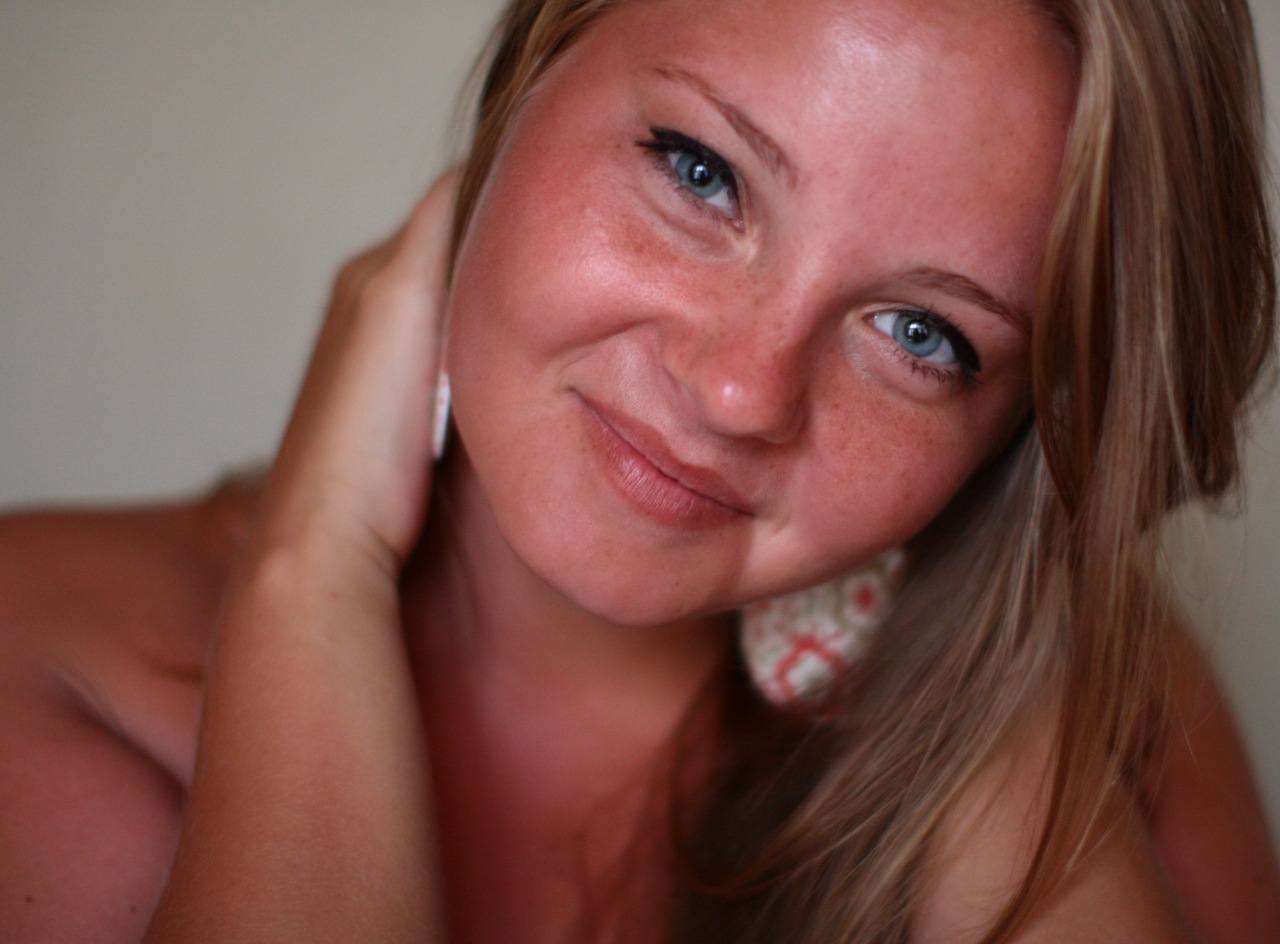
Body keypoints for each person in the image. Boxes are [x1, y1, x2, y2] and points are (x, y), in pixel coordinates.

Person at [1, 0, 1278, 941]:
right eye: (700, 173)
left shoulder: (1118, 719)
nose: (738, 393)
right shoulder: (38, 635)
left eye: (919, 334)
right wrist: (310, 566)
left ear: (1009, 430)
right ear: (531, 70)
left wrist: (967, 695)